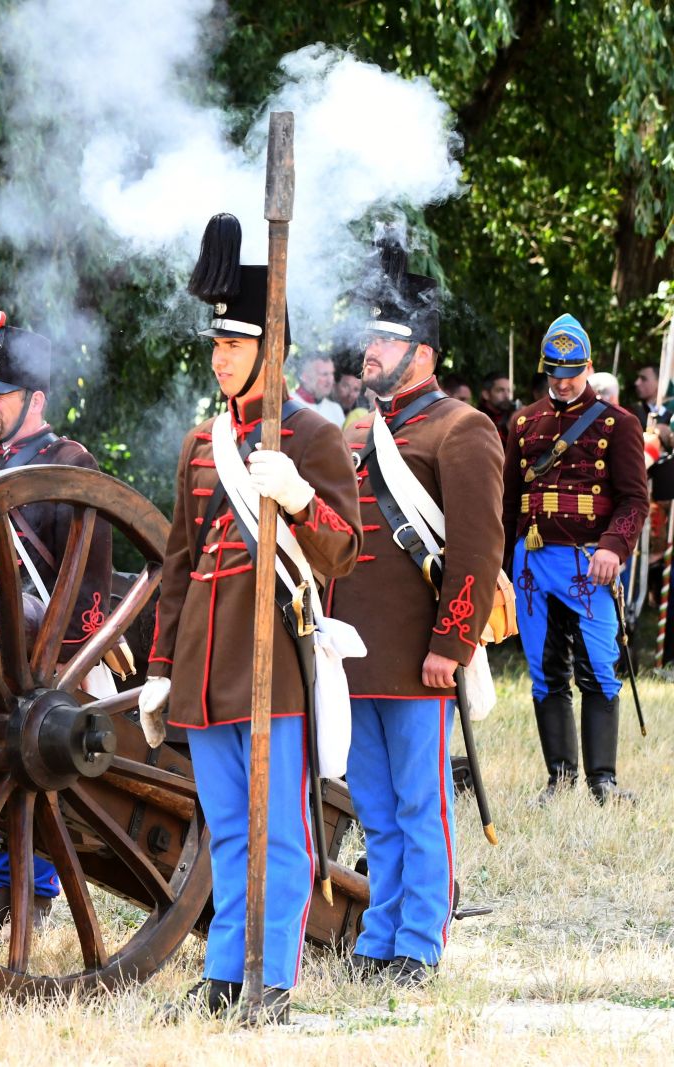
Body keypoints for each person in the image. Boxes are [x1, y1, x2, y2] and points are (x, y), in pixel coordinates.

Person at [138, 214, 362, 1023]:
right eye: (216, 345)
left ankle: (274, 978)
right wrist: (161, 667)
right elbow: (178, 565)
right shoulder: (204, 443)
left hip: (277, 670)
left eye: (233, 345)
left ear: (271, 348)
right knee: (226, 833)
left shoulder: (310, 435)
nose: (219, 357)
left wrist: (301, 500)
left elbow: (343, 551)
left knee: (280, 838)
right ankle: (227, 972)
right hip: (205, 668)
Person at [325, 245, 504, 988]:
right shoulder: (360, 431)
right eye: (370, 341)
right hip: (356, 656)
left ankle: (421, 941)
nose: (371, 352)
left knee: (419, 803)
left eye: (387, 342)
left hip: (418, 658)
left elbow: (476, 550)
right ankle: (379, 934)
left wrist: (450, 643)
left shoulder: (461, 429)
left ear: (422, 353)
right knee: (374, 808)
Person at [0, 311, 115, 942]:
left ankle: (32, 895)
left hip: (48, 655)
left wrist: (70, 658)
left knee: (32, 759)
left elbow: (90, 571)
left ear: (36, 400)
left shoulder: (68, 462)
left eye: (1, 396)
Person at [502, 313, 648, 804]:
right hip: (532, 566)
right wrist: (500, 566)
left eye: (571, 375)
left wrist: (614, 546)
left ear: (588, 367)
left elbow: (634, 500)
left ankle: (602, 781)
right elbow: (507, 504)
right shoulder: (521, 422)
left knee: (600, 669)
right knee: (545, 672)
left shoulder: (618, 424)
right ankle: (559, 780)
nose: (562, 385)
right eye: (553, 376)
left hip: (590, 565)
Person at [294, 353, 345, 426]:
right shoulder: (289, 406)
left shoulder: (336, 409)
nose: (331, 380)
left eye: (332, 373)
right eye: (324, 374)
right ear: (305, 377)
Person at [477, 371, 514, 449]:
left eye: (508, 390)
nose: (506, 396)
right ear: (486, 394)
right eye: (500, 390)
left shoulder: (508, 413)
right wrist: (507, 428)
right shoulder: (478, 418)